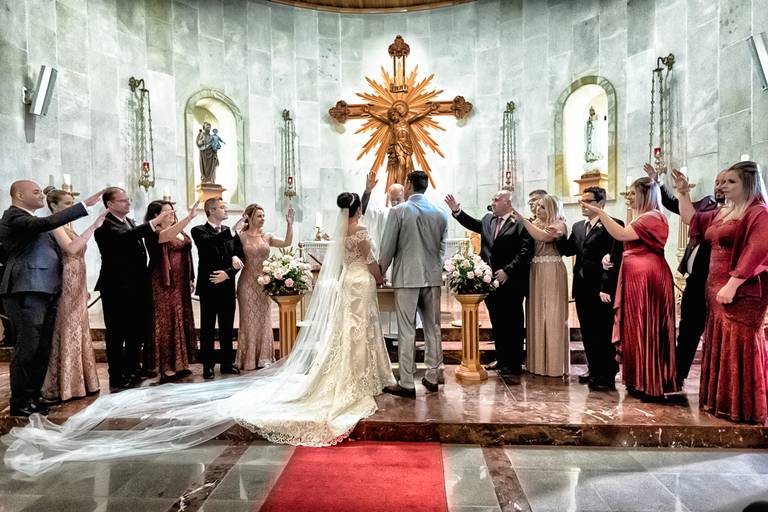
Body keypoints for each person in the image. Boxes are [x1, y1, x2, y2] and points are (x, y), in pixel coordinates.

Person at [3, 190, 398, 476]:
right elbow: (369, 261)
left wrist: (246, 252)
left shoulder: (232, 232)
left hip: (328, 284)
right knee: (353, 331)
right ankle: (215, 365)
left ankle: (250, 362)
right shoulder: (357, 233)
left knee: (349, 331)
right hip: (337, 284)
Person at [0, 181, 101, 416]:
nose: (40, 195)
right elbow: (45, 223)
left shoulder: (35, 221)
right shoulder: (14, 217)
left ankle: (34, 396)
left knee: (42, 347)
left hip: (47, 289)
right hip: (26, 289)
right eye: (35, 192)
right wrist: (84, 205)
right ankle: (21, 401)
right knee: (28, 347)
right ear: (19, 194)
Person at [683, 161, 768, 423]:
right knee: (721, 341)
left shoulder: (758, 212)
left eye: (731, 182)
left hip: (741, 291)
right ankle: (719, 400)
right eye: (723, 181)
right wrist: (682, 193)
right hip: (715, 288)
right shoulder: (725, 211)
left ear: (749, 183)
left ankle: (742, 407)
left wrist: (733, 284)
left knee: (738, 342)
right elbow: (693, 219)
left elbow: (759, 248)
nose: (723, 186)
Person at [581, 177, 678, 400]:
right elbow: (625, 244)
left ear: (646, 194)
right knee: (636, 328)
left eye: (633, 193)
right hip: (635, 277)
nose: (629, 197)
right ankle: (637, 379)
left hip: (648, 278)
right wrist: (609, 258)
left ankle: (650, 381)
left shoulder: (654, 217)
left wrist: (600, 212)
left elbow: (622, 235)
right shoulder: (641, 217)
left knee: (648, 327)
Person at [644, 163, 725, 387]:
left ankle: (716, 382)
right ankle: (676, 376)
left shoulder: (739, 213)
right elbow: (675, 205)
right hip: (695, 280)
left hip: (718, 282)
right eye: (718, 182)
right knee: (688, 329)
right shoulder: (707, 203)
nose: (719, 186)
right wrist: (659, 183)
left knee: (716, 335)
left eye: (726, 182)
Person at [445, 189, 533, 381]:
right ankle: (501, 359)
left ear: (508, 204)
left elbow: (525, 252)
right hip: (490, 282)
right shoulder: (488, 219)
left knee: (513, 324)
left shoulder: (521, 224)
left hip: (511, 282)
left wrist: (508, 271)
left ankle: (514, 364)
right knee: (498, 322)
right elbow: (472, 224)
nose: (492, 202)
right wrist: (457, 211)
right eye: (492, 199)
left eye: (496, 199)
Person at [95, 187, 171, 392]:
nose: (128, 203)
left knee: (136, 330)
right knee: (117, 332)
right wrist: (154, 222)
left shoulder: (128, 221)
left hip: (137, 284)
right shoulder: (105, 226)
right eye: (123, 201)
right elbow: (125, 238)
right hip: (116, 286)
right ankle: (117, 375)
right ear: (110, 204)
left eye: (128, 200)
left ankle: (132, 367)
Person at [379, 170, 448, 396]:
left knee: (406, 329)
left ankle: (407, 382)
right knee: (433, 327)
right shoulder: (440, 213)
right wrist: (435, 270)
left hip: (407, 277)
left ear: (409, 185)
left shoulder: (399, 211)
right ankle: (433, 375)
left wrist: (380, 271)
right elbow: (441, 249)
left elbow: (388, 246)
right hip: (433, 277)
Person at [554, 187, 623, 390]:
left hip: (602, 289)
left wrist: (606, 286)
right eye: (581, 200)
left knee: (603, 331)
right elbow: (568, 251)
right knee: (588, 332)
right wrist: (558, 236)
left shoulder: (614, 224)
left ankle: (607, 374)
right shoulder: (577, 227)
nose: (582, 204)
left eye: (588, 201)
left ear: (601, 203)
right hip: (582, 288)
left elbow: (615, 258)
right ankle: (593, 369)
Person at [40, 188, 105, 403]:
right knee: (68, 330)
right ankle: (65, 385)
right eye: (67, 204)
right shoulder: (54, 223)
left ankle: (82, 381)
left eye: (71, 203)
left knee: (79, 330)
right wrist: (94, 227)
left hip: (78, 282)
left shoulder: (68, 224)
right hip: (65, 283)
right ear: (53, 206)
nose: (71, 207)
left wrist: (84, 288)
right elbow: (70, 249)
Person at [512, 195, 569, 378]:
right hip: (534, 270)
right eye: (536, 206)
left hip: (551, 269)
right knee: (536, 314)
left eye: (542, 207)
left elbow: (543, 236)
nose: (537, 210)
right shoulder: (533, 222)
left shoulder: (558, 223)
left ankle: (553, 365)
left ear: (552, 209)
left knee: (552, 316)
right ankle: (536, 364)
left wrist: (523, 220)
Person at [234, 203, 294, 371]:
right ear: (250, 217)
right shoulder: (241, 236)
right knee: (248, 321)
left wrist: (289, 224)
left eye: (263, 216)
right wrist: (241, 221)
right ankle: (248, 359)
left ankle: (264, 357)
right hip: (246, 284)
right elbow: (230, 241)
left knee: (264, 320)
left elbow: (287, 243)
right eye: (259, 216)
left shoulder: (266, 237)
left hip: (263, 285)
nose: (262, 219)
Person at [145, 200, 200, 383]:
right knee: (166, 321)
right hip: (163, 283)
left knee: (180, 318)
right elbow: (167, 236)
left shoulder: (180, 231)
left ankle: (180, 363)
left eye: (172, 211)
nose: (172, 214)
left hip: (181, 283)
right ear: (156, 216)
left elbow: (187, 254)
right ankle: (166, 366)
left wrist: (190, 277)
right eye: (167, 212)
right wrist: (189, 217)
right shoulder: (154, 232)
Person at [191, 197, 245, 379]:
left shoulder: (231, 233)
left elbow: (240, 256)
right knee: (207, 328)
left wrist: (228, 272)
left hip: (227, 286)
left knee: (227, 327)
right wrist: (232, 230)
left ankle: (226, 363)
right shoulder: (198, 231)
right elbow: (209, 243)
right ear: (211, 211)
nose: (226, 210)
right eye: (222, 207)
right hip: (209, 287)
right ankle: (207, 365)